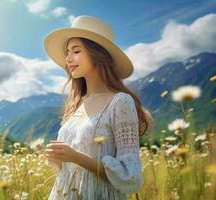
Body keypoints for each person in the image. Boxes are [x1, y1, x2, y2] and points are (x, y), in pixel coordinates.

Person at [44, 15, 153, 200]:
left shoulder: (120, 102)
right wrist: (57, 160)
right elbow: (67, 173)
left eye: (76, 51)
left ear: (97, 54)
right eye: (67, 52)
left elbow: (131, 177)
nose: (68, 58)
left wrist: (75, 157)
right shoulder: (76, 104)